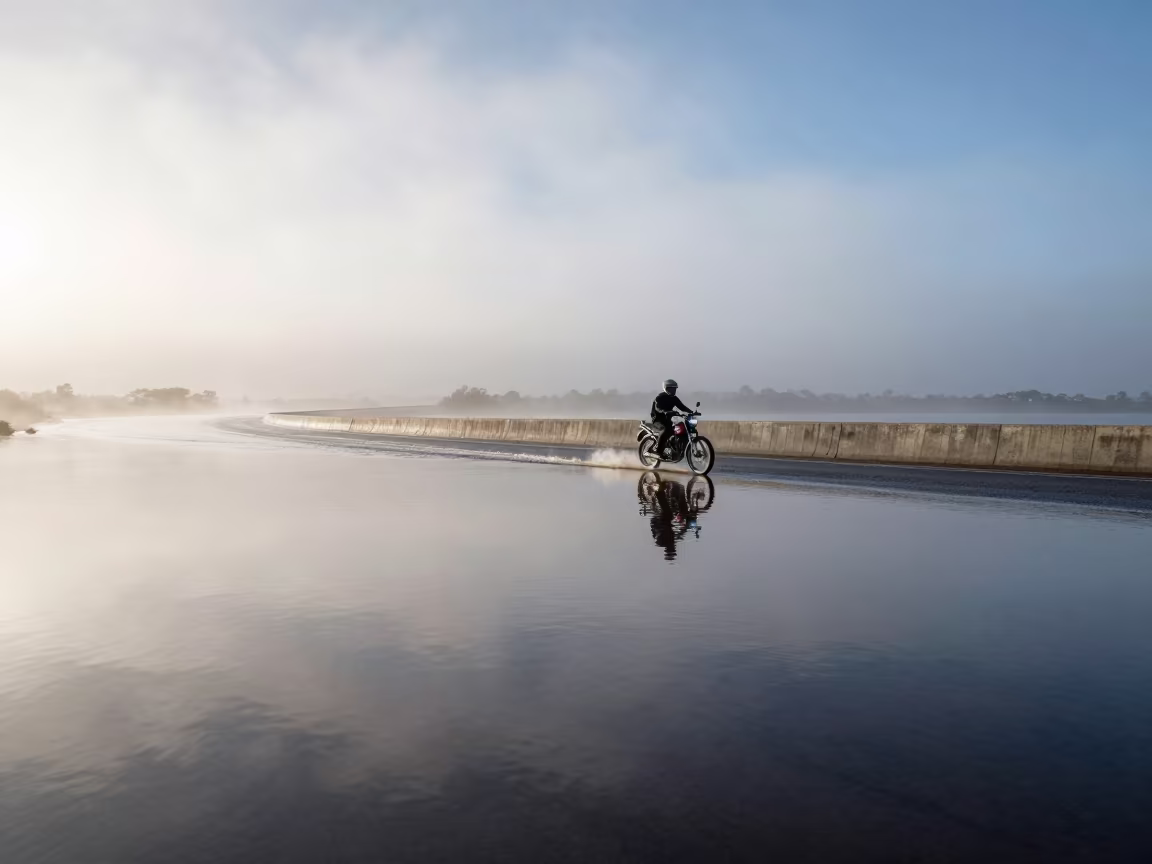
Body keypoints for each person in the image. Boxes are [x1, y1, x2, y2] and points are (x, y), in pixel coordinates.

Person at [650, 379, 694, 456]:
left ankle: (676, 446)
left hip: (668, 419)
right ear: (666, 388)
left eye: (674, 389)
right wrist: (665, 411)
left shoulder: (674, 398)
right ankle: (658, 451)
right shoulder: (659, 398)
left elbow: (682, 407)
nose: (673, 390)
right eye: (671, 388)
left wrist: (692, 412)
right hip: (658, 419)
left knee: (681, 428)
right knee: (667, 430)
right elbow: (658, 408)